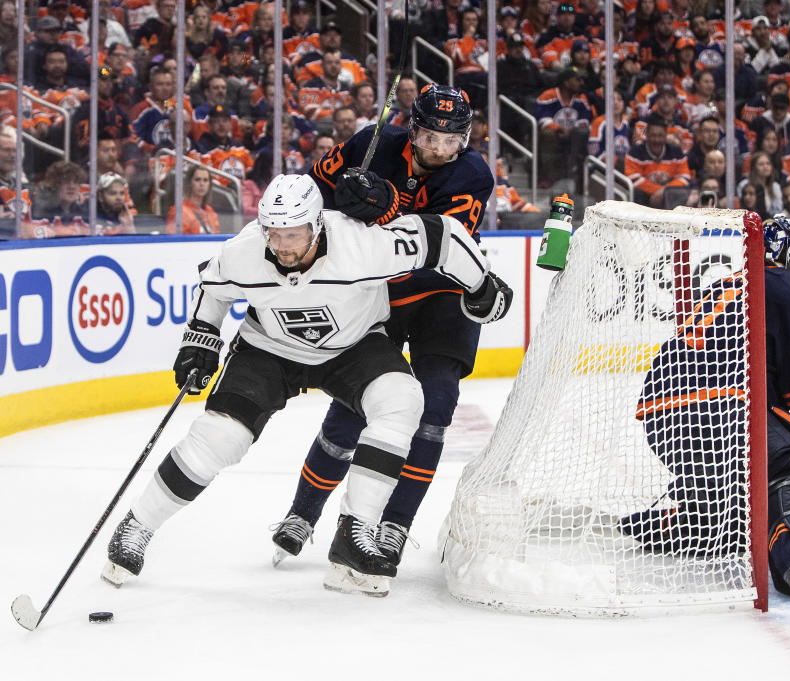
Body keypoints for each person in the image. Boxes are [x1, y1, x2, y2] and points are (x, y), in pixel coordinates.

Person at [103, 173, 512, 596]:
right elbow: (215, 288)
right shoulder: (245, 252)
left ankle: (354, 533)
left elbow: (443, 236)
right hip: (269, 349)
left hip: (352, 348)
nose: (281, 246)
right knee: (219, 437)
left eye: (293, 234)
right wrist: (201, 335)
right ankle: (137, 526)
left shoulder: (362, 245)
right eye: (273, 234)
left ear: (318, 225)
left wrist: (482, 284)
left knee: (403, 400)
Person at [270, 84, 496, 570]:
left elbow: (435, 242)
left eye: (450, 140)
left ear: (465, 140)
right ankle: (301, 514)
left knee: (434, 408)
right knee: (354, 406)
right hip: (379, 296)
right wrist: (340, 203)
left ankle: (394, 526)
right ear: (412, 129)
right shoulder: (368, 144)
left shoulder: (474, 174)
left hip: (443, 294)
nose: (438, 148)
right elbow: (307, 195)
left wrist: (386, 203)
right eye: (431, 136)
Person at [627, 215, 790, 604]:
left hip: (661, 420)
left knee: (742, 493)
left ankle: (687, 517)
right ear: (785, 253)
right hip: (723, 413)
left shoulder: (730, 284)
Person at [167, 165, 220, 235]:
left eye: (205, 180)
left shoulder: (210, 211)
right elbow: (174, 242)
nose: (202, 184)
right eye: (197, 179)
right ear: (190, 182)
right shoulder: (179, 211)